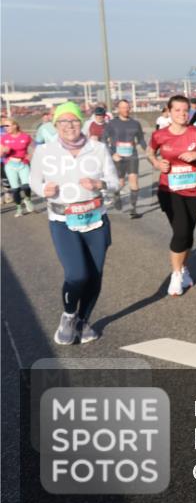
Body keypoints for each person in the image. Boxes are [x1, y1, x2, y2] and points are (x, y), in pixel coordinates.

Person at [29, 102, 119, 345]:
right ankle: (68, 316)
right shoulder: (44, 151)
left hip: (96, 219)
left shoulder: (98, 149)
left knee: (95, 275)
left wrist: (100, 185)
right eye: (63, 121)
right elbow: (34, 180)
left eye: (74, 120)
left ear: (82, 122)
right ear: (55, 124)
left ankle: (83, 320)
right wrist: (42, 189)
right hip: (62, 220)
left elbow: (114, 182)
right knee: (77, 274)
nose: (69, 126)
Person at [148, 95, 196, 296]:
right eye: (177, 110)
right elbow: (150, 152)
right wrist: (157, 163)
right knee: (181, 231)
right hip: (169, 190)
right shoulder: (160, 135)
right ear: (168, 112)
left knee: (188, 233)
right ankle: (176, 275)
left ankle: (184, 269)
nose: (182, 114)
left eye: (185, 110)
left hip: (193, 190)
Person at [103, 99, 147, 218]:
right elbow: (104, 140)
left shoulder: (135, 123)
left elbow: (141, 139)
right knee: (120, 182)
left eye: (127, 107)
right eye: (123, 107)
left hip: (132, 156)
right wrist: (112, 154)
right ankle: (116, 194)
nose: (126, 110)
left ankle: (133, 209)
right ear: (118, 109)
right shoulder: (111, 124)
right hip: (118, 157)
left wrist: (148, 151)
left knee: (134, 181)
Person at [1, 118, 36, 216]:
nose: (5, 128)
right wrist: (4, 151)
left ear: (15, 125)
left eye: (7, 125)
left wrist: (30, 155)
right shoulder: (4, 138)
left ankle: (28, 199)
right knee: (15, 189)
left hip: (23, 163)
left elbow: (35, 146)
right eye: (4, 126)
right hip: (10, 165)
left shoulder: (25, 136)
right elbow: (0, 153)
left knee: (26, 186)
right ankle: (19, 208)